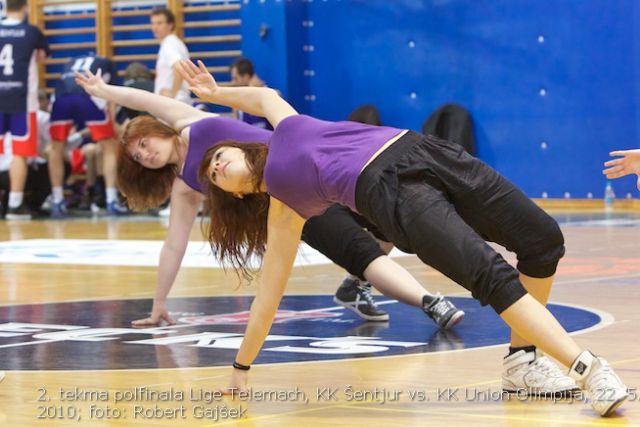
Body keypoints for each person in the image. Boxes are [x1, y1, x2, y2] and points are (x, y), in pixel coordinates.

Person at [176, 59, 629, 417]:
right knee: (488, 272)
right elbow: (266, 301)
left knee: (543, 238)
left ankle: (520, 362)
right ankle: (586, 368)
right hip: (389, 195)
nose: (216, 164)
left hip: (423, 150)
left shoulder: (288, 124)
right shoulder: (285, 208)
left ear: (237, 145)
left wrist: (217, 94)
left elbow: (263, 95)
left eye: (218, 157)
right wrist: (240, 368)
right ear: (235, 195)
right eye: (214, 176)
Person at [74, 69, 465, 332]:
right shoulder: (186, 187)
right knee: (361, 248)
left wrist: (104, 91)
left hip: (319, 165)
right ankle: (431, 302)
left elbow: (144, 100)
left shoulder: (185, 119)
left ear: (156, 131)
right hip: (292, 200)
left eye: (144, 144)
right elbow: (174, 244)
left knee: (386, 225)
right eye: (139, 158)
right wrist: (159, 303)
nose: (146, 154)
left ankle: (353, 285)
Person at [49, 54, 127, 216]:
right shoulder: (106, 62)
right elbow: (111, 94)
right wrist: (111, 122)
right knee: (109, 147)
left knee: (56, 149)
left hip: (61, 98)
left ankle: (57, 200)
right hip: (89, 95)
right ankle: (111, 199)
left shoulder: (70, 61)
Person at [0, 0, 49, 220]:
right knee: (20, 153)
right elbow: (41, 57)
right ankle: (15, 204)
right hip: (22, 101)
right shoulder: (31, 32)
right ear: (26, 8)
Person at [150, 8, 191, 104]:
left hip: (174, 101)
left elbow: (180, 68)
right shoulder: (171, 43)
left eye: (159, 23)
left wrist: (172, 95)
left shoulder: (169, 44)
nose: (155, 27)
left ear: (170, 25)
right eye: (153, 23)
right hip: (175, 101)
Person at [230, 57, 271, 130]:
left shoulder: (267, 94)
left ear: (246, 77)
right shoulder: (238, 99)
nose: (233, 82)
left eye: (236, 78)